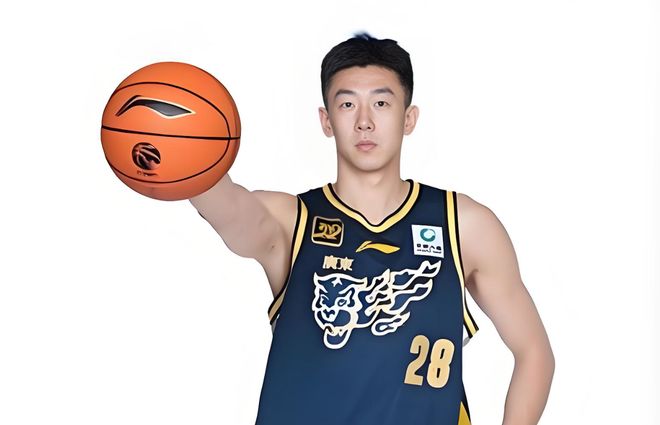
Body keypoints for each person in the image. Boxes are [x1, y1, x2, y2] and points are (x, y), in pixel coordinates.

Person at [189, 33, 554, 425]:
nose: (364, 121)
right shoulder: (291, 221)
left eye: (381, 103)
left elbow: (534, 352)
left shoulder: (462, 225)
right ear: (326, 121)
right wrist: (179, 154)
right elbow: (227, 208)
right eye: (347, 104)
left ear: (408, 118)